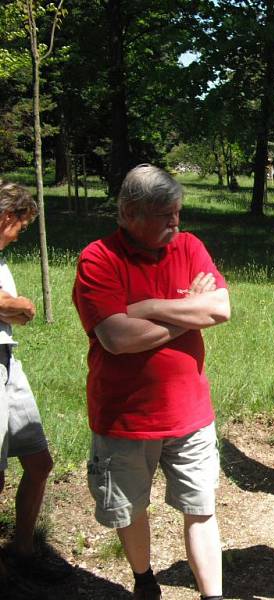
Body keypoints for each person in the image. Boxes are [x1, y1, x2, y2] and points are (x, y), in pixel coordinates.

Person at [73, 164, 230, 600]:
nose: (175, 223)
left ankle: (211, 596)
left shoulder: (190, 246)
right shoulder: (97, 259)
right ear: (129, 212)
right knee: (130, 509)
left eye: (177, 212)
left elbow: (220, 308)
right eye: (164, 214)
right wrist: (186, 311)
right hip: (125, 417)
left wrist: (146, 307)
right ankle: (145, 581)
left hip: (190, 412)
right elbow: (117, 338)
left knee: (201, 508)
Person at [0, 181, 71, 594]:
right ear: (9, 216)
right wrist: (21, 306)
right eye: (20, 227)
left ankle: (22, 550)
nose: (18, 234)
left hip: (10, 361)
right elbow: (11, 305)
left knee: (39, 462)